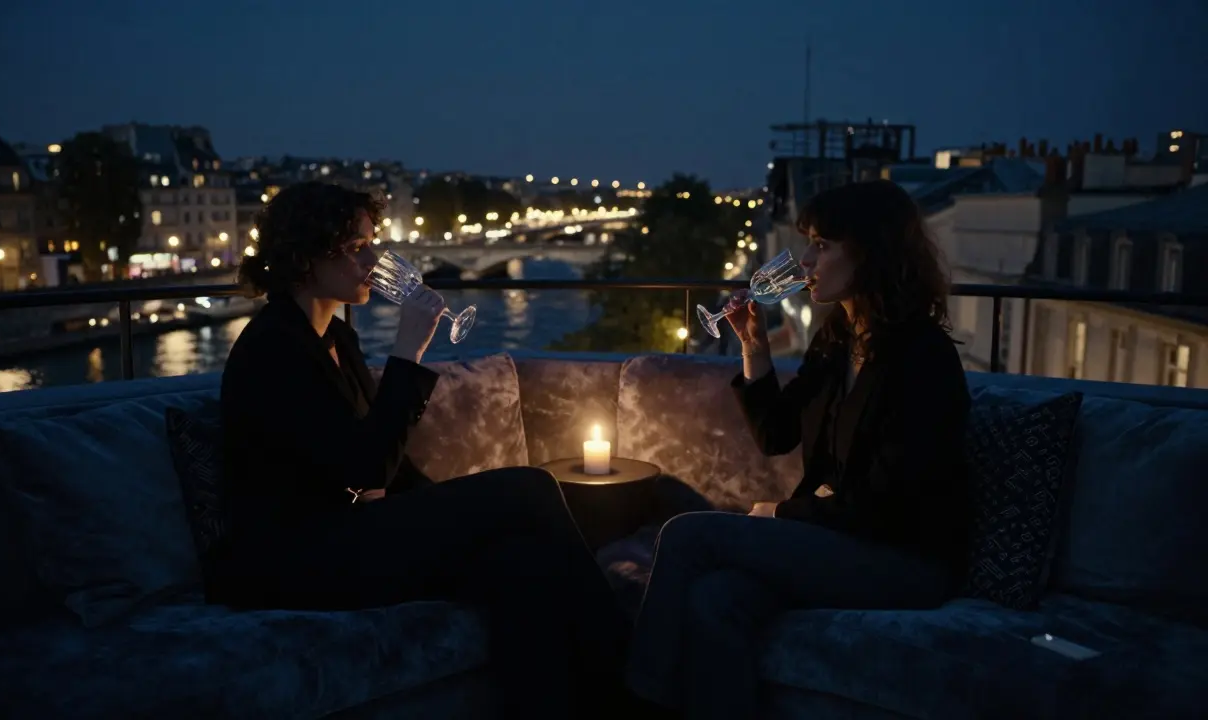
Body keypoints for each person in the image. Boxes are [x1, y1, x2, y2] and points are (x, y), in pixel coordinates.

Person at [209, 181, 631, 719]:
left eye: (373, 243)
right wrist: (408, 351)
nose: (374, 258)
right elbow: (363, 469)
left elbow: (387, 467)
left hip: (349, 536)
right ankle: (631, 674)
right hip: (295, 559)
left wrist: (453, 509)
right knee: (528, 487)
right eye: (357, 246)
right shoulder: (271, 348)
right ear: (308, 254)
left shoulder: (337, 339)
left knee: (522, 564)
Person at [626, 180, 973, 718]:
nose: (807, 260)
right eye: (808, 242)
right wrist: (753, 348)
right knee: (717, 599)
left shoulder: (922, 358)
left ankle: (635, 698)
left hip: (904, 561)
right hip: (836, 539)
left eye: (822, 245)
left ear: (870, 251)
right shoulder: (840, 336)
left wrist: (784, 513)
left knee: (688, 534)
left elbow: (891, 504)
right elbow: (777, 435)